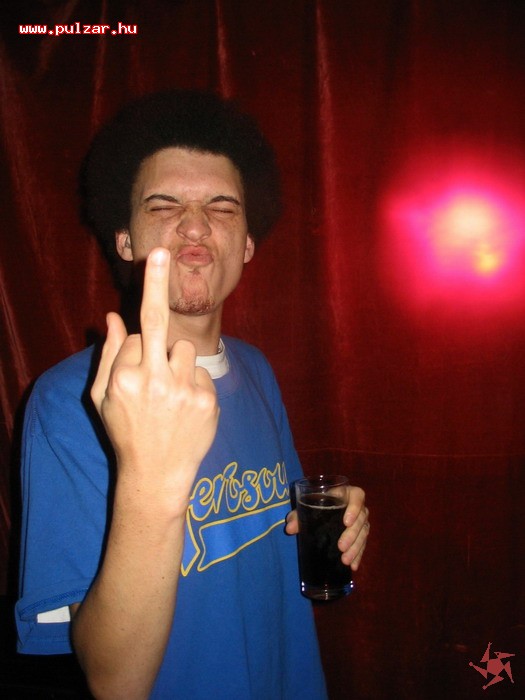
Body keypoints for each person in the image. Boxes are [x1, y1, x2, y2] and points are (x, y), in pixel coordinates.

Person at [16, 91, 370, 699]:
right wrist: (151, 475)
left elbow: (278, 531)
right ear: (124, 240)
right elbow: (113, 682)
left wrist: (336, 524)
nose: (196, 225)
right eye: (164, 205)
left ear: (248, 244)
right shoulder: (68, 401)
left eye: (222, 207)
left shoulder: (257, 370)